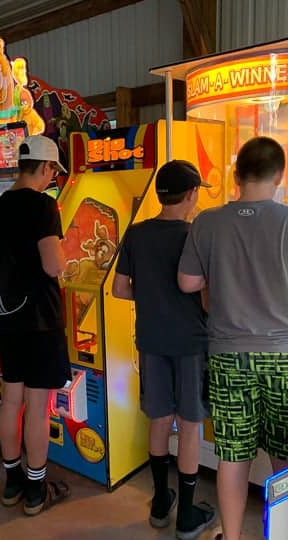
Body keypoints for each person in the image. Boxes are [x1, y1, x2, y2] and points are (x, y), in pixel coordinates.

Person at [177, 137, 288, 540]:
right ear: (280, 176)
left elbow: (187, 282)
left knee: (234, 458)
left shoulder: (208, 222)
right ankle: (285, 534)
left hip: (230, 359)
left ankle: (231, 537)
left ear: (236, 176)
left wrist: (216, 284)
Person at [112, 159, 216, 539]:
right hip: (190, 343)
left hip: (151, 341)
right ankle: (187, 516)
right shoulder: (196, 235)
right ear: (191, 195)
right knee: (190, 426)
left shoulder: (137, 234)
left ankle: (159, 502)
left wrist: (152, 296)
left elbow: (119, 289)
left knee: (158, 419)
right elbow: (206, 300)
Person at [0, 134, 72, 516]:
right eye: (54, 171)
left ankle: (12, 481)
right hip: (40, 319)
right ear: (47, 167)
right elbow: (53, 264)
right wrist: (67, 262)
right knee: (37, 405)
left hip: (7, 318)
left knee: (11, 399)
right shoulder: (44, 206)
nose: (54, 177)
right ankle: (36, 489)